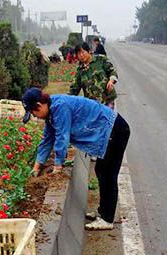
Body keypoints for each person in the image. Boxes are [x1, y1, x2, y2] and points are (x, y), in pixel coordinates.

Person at [22, 88, 131, 230]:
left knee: (108, 174)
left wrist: (58, 166)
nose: (35, 117)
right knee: (101, 170)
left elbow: (62, 136)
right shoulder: (50, 113)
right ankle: (103, 212)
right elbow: (47, 140)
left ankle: (107, 219)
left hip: (115, 130)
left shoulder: (60, 107)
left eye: (34, 113)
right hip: (108, 131)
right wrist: (36, 167)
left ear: (39, 105)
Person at [69, 42, 118, 109]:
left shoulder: (100, 60)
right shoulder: (79, 71)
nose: (81, 55)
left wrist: (111, 81)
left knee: (107, 118)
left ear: (89, 51)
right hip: (92, 105)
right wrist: (64, 100)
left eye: (83, 52)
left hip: (107, 100)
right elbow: (74, 89)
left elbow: (112, 71)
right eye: (78, 54)